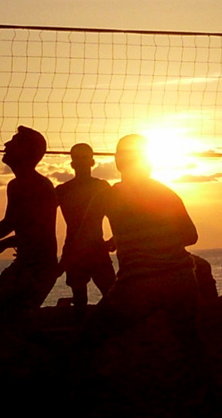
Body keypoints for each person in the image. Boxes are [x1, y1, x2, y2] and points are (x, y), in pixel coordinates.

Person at [63, 134, 200, 354]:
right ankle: (204, 384)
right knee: (187, 339)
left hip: (138, 284)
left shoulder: (107, 196)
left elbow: (83, 240)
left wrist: (55, 269)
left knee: (87, 339)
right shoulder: (167, 193)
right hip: (183, 280)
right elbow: (191, 236)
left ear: (118, 163)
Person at [0, 126, 59, 367]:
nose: (6, 145)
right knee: (2, 322)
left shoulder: (40, 186)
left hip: (38, 267)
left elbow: (38, 230)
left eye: (13, 142)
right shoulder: (16, 185)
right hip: (27, 264)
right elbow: (10, 222)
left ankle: (60, 361)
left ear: (27, 152)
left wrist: (0, 242)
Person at [55, 143, 116, 320]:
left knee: (105, 296)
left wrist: (114, 239)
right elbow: (120, 216)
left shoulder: (98, 187)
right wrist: (115, 239)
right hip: (83, 251)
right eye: (79, 159)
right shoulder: (64, 190)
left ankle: (89, 336)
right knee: (100, 297)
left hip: (87, 250)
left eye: (83, 158)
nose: (81, 163)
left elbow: (118, 214)